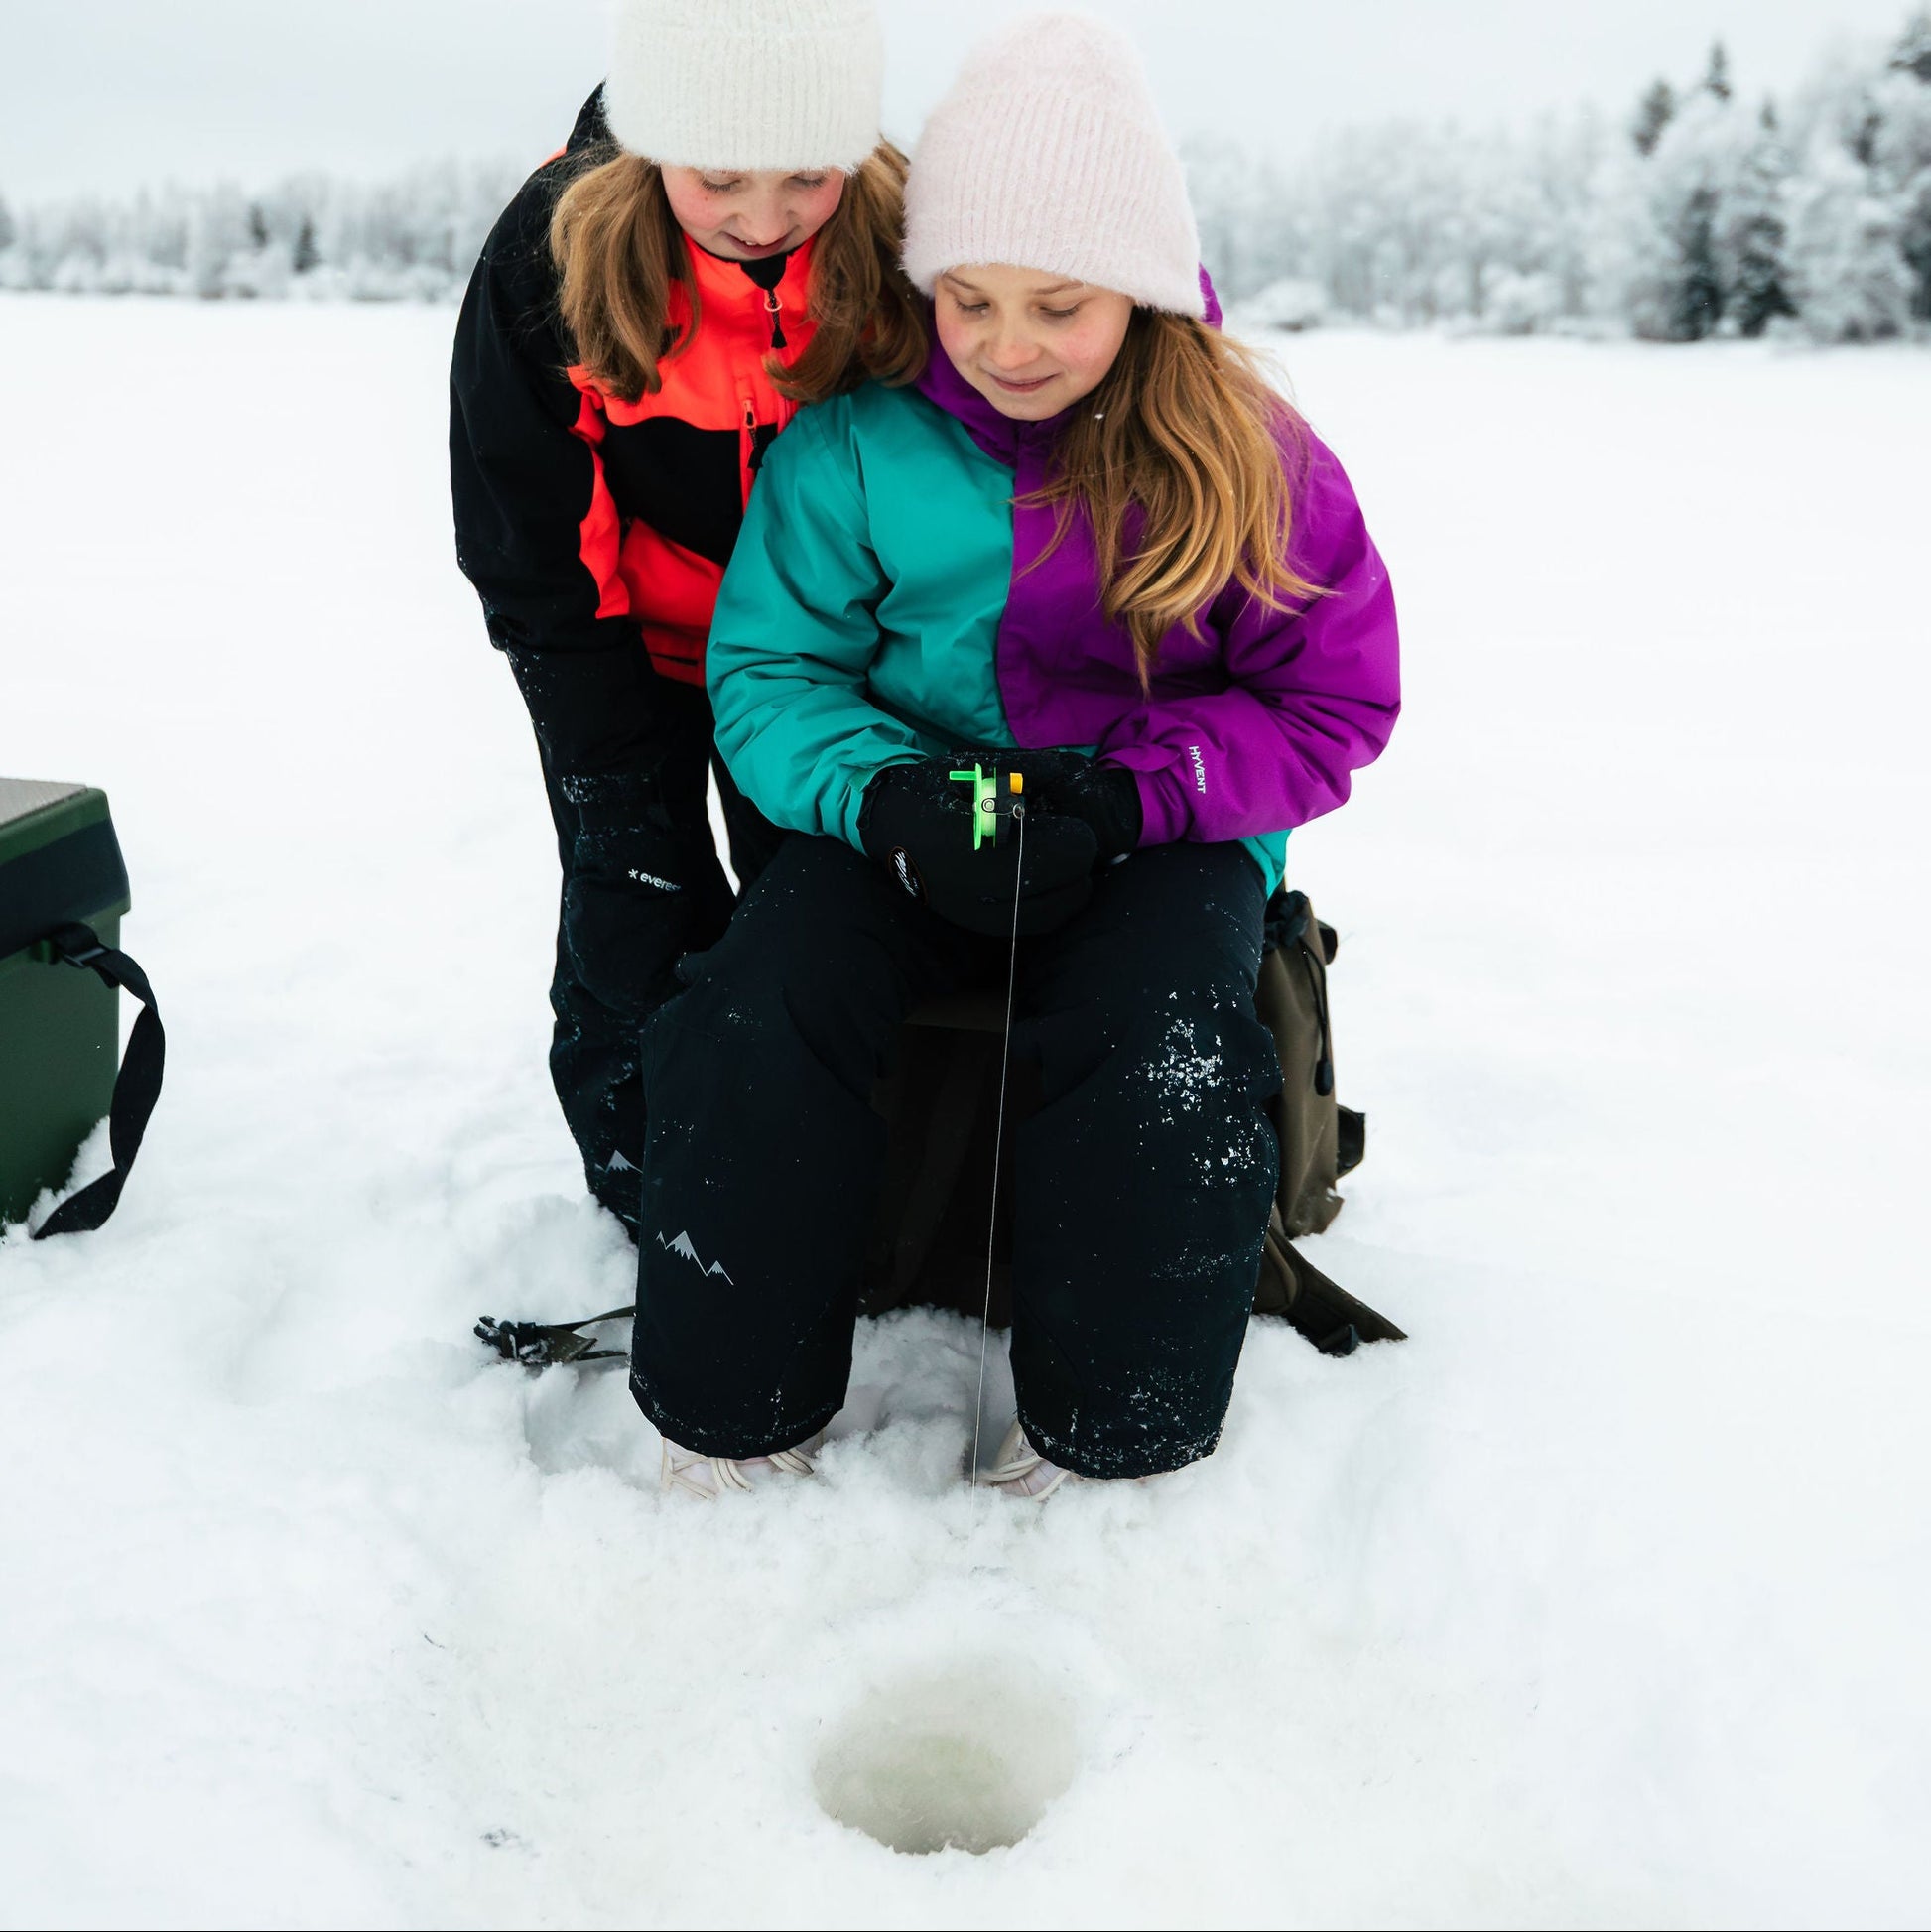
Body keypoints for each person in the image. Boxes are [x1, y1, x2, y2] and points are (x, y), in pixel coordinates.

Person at [633, 13, 1401, 1501]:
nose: (1005, 345)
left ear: (1142, 291)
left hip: (1154, 829)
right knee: (756, 1003)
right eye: (967, 299)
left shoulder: (1253, 456)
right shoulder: (853, 441)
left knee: (1161, 1038)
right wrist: (888, 794)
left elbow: (1327, 704)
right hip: (910, 816)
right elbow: (774, 672)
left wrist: (1136, 795)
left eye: (1059, 304)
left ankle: (1108, 1428)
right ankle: (728, 1403)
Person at [449, 0, 924, 1226]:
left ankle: (848, 1192)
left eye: (806, 177)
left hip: (832, 664)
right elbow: (528, 531)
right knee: (634, 906)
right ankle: (649, 1194)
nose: (762, 219)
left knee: (820, 921)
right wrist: (603, 756)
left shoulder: (907, 240)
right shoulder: (551, 252)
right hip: (628, 653)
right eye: (718, 179)